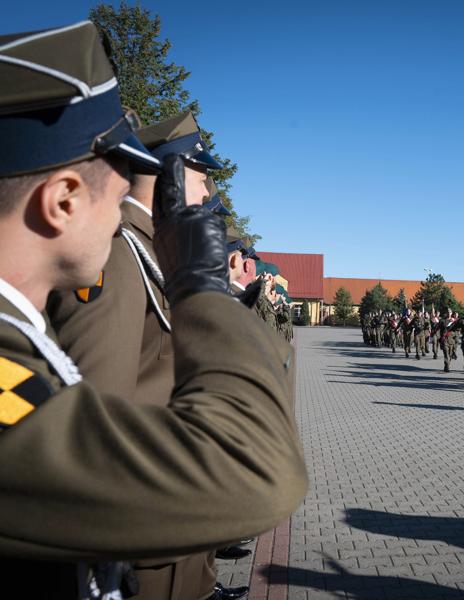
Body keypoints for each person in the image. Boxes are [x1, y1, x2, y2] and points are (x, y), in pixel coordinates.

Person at [0, 22, 306, 599]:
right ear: (62, 200)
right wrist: (201, 287)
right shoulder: (119, 263)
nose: (129, 201)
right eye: (117, 189)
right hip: (151, 522)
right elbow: (254, 471)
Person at [47, 110, 247, 600]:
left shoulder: (159, 253)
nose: (207, 198)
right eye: (201, 181)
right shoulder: (119, 257)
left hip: (178, 506)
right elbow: (99, 416)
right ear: (171, 180)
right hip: (146, 524)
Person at [439, 308, 458, 372]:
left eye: (450, 312)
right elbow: (439, 329)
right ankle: (447, 365)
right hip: (444, 340)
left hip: (451, 339)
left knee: (450, 354)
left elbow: (457, 330)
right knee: (446, 354)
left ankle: (447, 364)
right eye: (448, 312)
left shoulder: (454, 321)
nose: (449, 313)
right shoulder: (442, 321)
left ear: (451, 313)